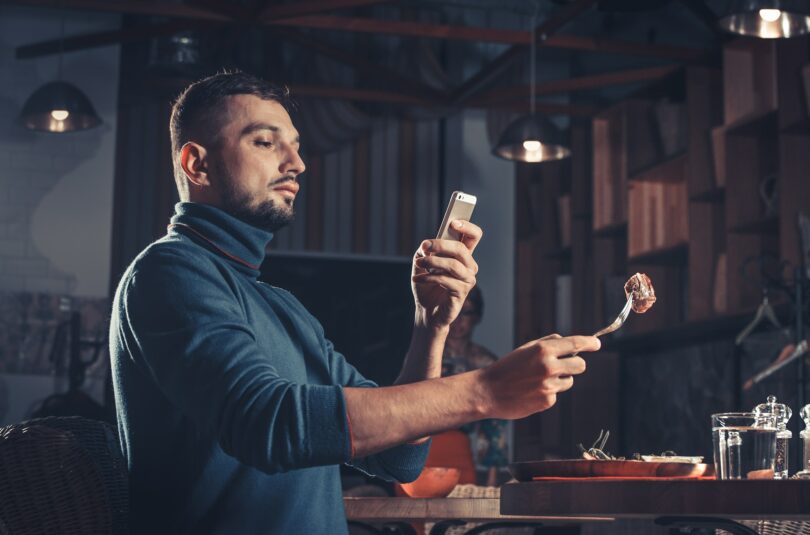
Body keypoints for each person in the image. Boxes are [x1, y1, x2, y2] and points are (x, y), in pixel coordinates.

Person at [108, 70, 600, 535]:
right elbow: (269, 422)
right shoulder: (169, 272)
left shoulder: (284, 308)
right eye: (264, 142)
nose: (296, 163)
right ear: (197, 163)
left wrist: (429, 327)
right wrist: (486, 390)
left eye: (296, 147)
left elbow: (398, 459)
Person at [442, 286, 510, 486]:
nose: (458, 320)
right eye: (453, 311)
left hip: (467, 445)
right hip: (427, 441)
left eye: (467, 312)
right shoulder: (425, 358)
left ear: (477, 317)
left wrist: (491, 483)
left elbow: (496, 425)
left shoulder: (487, 362)